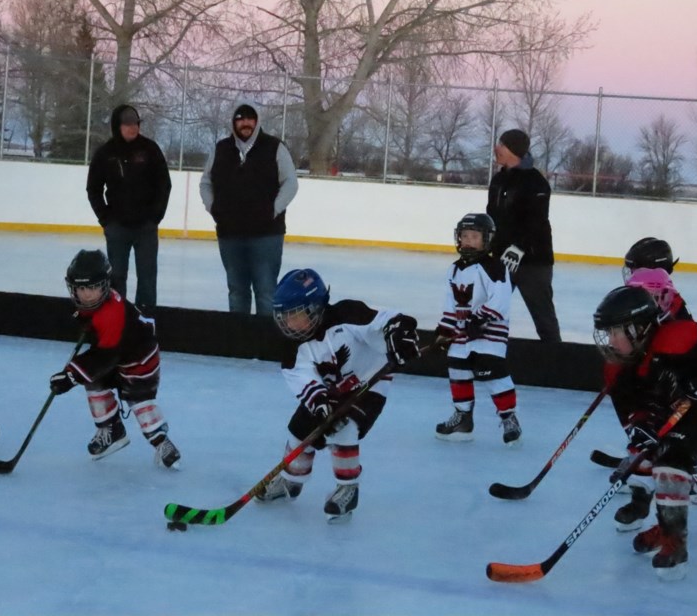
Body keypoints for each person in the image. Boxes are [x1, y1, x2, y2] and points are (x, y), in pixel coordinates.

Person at [254, 268, 421, 522]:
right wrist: (320, 402)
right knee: (299, 430)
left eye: (295, 315)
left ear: (315, 307)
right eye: (284, 317)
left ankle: (348, 488)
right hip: (331, 392)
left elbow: (387, 322)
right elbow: (302, 378)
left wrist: (400, 335)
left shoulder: (347, 314)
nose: (289, 323)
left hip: (369, 384)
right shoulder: (292, 347)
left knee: (344, 428)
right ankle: (290, 482)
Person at [592, 285, 697, 580]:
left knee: (672, 461)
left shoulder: (679, 336)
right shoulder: (615, 368)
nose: (610, 340)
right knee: (662, 452)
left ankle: (674, 545)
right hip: (666, 409)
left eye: (616, 331)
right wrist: (641, 428)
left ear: (639, 329)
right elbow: (630, 414)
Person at [609, 266, 697, 532]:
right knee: (644, 445)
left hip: (693, 405)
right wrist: (635, 424)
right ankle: (639, 502)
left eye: (650, 298)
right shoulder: (634, 329)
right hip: (657, 400)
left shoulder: (681, 327)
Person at [47, 250, 181, 467]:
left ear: (105, 285)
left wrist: (71, 376)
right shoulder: (95, 304)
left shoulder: (112, 312)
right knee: (93, 381)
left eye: (92, 288)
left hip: (139, 358)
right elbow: (102, 350)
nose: (87, 295)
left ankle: (161, 442)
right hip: (116, 352)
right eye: (81, 288)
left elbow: (105, 356)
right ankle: (112, 430)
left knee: (139, 401)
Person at [199, 103, 299, 315]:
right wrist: (214, 208)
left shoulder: (274, 147)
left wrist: (273, 210)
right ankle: (240, 342)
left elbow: (290, 183)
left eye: (250, 118)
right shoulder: (221, 149)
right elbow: (205, 183)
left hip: (266, 236)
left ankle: (263, 343)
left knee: (266, 291)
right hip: (230, 234)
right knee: (237, 291)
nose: (245, 123)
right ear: (234, 122)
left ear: (257, 121)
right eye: (240, 118)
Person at [434, 213, 521, 445]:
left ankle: (509, 417)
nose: (468, 241)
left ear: (486, 240)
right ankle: (463, 418)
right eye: (464, 236)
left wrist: (480, 320)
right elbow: (450, 304)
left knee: (491, 372)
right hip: (462, 333)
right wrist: (445, 330)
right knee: (457, 367)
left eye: (474, 236)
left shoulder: (494, 267)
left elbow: (500, 301)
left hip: (489, 333)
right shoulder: (454, 269)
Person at [86, 104, 172, 313]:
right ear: (118, 126)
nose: (133, 128)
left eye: (136, 124)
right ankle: (117, 320)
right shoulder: (106, 153)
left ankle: (147, 321)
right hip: (117, 228)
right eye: (127, 124)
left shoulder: (150, 149)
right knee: (116, 278)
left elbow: (164, 184)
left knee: (147, 276)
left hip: (145, 228)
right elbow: (93, 188)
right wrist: (105, 219)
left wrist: (155, 216)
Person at [486, 128, 561, 342]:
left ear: (513, 150)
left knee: (544, 318)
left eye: (501, 144)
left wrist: (518, 248)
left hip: (533, 262)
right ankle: (484, 351)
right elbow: (492, 217)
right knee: (488, 310)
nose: (496, 148)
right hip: (502, 258)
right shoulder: (499, 181)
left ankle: (556, 360)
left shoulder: (536, 182)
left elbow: (535, 222)